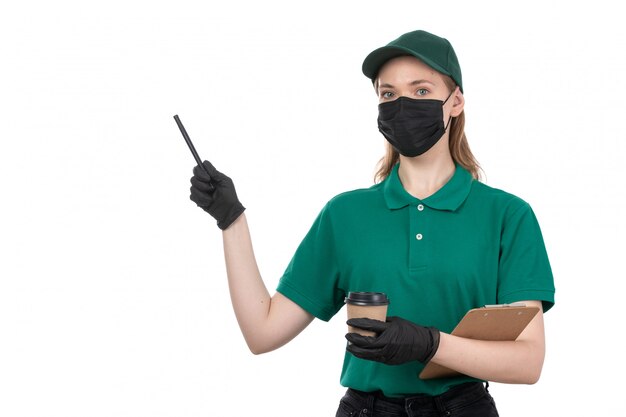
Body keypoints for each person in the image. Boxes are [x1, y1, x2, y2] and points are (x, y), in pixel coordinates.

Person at [189, 29, 555, 417]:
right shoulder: (345, 214)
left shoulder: (507, 215)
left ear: (456, 102)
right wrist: (232, 221)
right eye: (388, 94)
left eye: (420, 91)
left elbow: (528, 362)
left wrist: (429, 344)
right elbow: (262, 333)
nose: (401, 105)